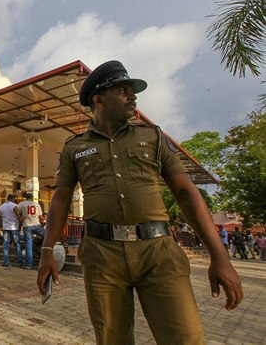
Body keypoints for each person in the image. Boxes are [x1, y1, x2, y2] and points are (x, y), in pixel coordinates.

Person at [37, 60, 243, 345]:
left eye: (132, 91)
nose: (132, 97)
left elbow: (185, 192)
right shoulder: (75, 147)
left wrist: (219, 256)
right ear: (98, 99)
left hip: (158, 253)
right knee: (112, 339)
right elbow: (61, 198)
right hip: (101, 254)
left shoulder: (153, 136)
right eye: (123, 91)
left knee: (185, 338)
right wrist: (48, 250)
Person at [17, 192, 44, 269]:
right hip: (36, 225)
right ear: (32, 198)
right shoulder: (37, 204)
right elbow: (40, 217)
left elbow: (14, 208)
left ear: (26, 197)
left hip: (27, 226)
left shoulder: (22, 204)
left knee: (28, 245)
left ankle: (29, 265)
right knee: (47, 237)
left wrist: (19, 217)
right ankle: (44, 250)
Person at [0, 194, 23, 267]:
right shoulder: (15, 205)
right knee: (17, 244)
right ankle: (20, 261)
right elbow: (19, 215)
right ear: (13, 199)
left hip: (5, 228)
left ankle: (5, 262)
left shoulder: (1, 206)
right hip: (14, 227)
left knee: (5, 244)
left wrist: (1, 225)